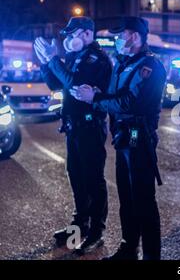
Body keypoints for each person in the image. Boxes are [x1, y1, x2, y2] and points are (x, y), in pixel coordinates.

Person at [71, 16, 167, 260]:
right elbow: (115, 96)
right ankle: (128, 247)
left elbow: (131, 102)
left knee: (143, 199)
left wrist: (95, 99)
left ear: (134, 36)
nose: (116, 39)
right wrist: (97, 94)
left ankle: (151, 255)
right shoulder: (123, 63)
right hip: (123, 136)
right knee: (126, 195)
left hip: (138, 136)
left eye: (120, 34)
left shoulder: (150, 66)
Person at [33, 17, 112, 254]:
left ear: (87, 34)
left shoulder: (96, 59)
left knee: (93, 179)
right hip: (73, 126)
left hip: (90, 126)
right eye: (66, 34)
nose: (68, 39)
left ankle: (96, 231)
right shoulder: (76, 56)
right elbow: (55, 85)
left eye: (72, 33)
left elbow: (76, 86)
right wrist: (46, 64)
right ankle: (80, 224)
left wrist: (54, 60)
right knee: (76, 175)